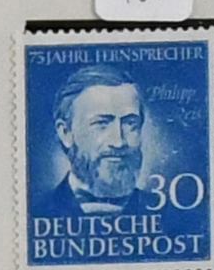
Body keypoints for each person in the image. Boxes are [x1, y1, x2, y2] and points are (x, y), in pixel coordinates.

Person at [45, 63, 149, 212]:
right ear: (66, 133)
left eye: (130, 124)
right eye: (101, 123)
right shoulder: (37, 211)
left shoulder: (170, 215)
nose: (118, 142)